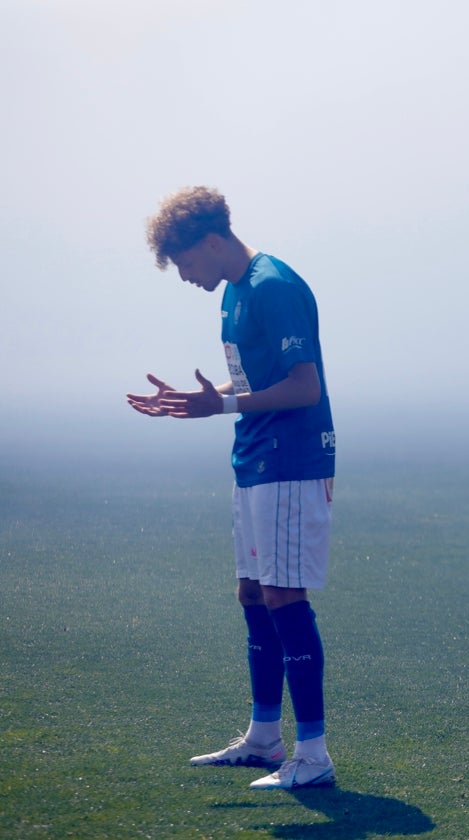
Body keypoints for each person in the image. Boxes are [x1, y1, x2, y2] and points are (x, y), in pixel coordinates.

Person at [127, 186, 338, 790]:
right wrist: (206, 400)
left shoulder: (274, 286)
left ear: (212, 242)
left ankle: (314, 755)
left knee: (283, 597)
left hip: (291, 461)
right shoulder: (236, 294)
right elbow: (253, 383)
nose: (186, 276)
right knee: (252, 594)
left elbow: (305, 388)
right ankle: (264, 737)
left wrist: (218, 407)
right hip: (254, 460)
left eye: (187, 263)